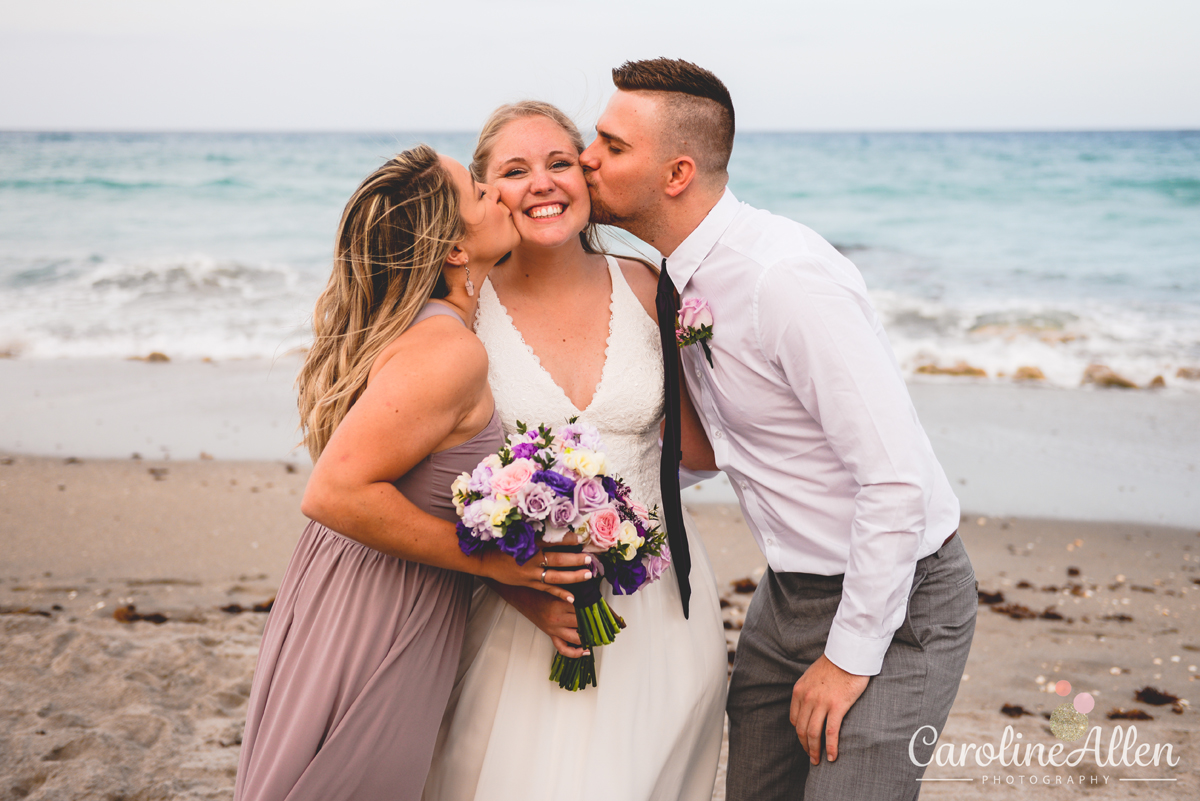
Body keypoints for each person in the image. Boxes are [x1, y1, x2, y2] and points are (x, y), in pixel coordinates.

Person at [579, 59, 977, 800]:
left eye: (610, 144)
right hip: (787, 594)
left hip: (899, 594)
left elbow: (896, 480)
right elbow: (715, 448)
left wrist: (851, 657)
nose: (585, 157)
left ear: (676, 173)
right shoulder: (672, 276)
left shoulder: (783, 277)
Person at [233, 145, 592, 801]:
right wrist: (490, 564)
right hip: (378, 610)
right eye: (481, 193)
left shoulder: (426, 328)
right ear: (455, 249)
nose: (500, 195)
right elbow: (333, 491)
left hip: (355, 589)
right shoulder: (447, 349)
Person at [422, 102, 728, 801]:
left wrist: (720, 351)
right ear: (484, 192)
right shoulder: (465, 310)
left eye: (560, 162)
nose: (542, 183)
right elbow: (429, 469)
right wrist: (510, 573)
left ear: (587, 177)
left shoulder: (652, 289)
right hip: (521, 607)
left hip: (660, 605)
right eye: (515, 170)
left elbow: (701, 449)